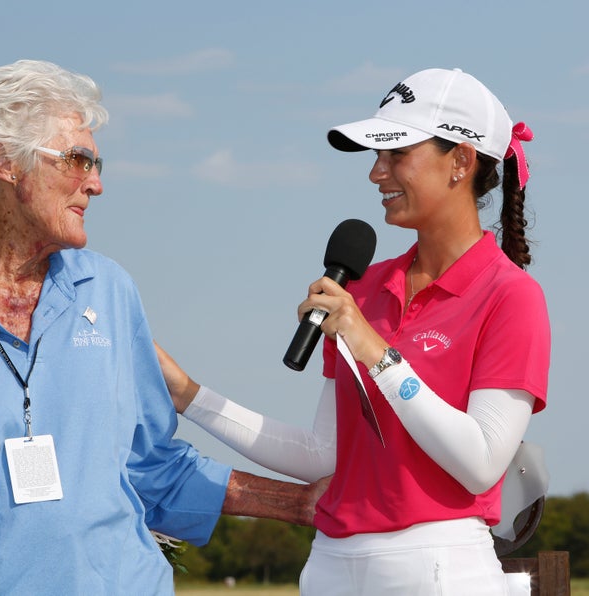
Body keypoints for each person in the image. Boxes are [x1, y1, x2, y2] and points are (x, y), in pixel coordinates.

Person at [0, 60, 322, 596]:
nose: (97, 184)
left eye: (96, 162)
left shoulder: (109, 291)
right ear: (3, 162)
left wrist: (301, 503)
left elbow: (153, 469)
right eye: (78, 160)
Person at [157, 67, 550, 595]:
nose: (376, 174)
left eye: (396, 155)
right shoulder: (363, 292)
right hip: (331, 564)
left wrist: (374, 350)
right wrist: (189, 397)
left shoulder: (511, 296)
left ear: (460, 160)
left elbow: (480, 464)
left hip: (440, 566)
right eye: (375, 157)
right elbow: (325, 455)